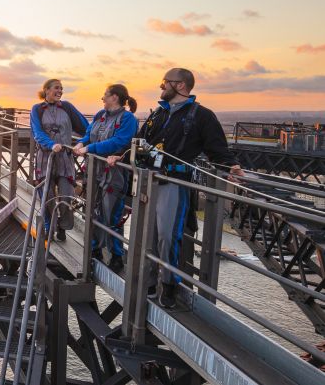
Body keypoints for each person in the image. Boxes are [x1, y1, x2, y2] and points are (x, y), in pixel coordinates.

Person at [108, 68, 243, 308]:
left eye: (164, 83)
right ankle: (149, 283)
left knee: (168, 236)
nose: (161, 87)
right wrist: (120, 155)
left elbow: (216, 148)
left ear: (180, 85)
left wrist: (230, 166)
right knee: (147, 235)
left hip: (173, 183)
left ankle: (168, 286)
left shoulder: (201, 116)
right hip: (149, 180)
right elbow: (140, 141)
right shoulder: (159, 113)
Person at [73, 84, 138, 273]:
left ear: (115, 97)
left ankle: (116, 255)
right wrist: (82, 142)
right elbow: (89, 134)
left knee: (112, 213)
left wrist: (90, 149)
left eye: (105, 95)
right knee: (93, 209)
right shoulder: (100, 115)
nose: (102, 98)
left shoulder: (128, 119)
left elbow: (120, 141)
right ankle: (95, 249)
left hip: (114, 172)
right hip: (94, 171)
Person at [30, 79, 89, 241]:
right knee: (47, 195)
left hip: (64, 158)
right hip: (45, 158)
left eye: (61, 89)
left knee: (66, 195)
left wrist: (83, 143)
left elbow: (85, 127)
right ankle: (50, 226)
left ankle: (63, 227)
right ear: (46, 90)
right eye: (56, 88)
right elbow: (37, 132)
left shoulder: (67, 107)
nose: (60, 91)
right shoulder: (37, 109)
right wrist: (51, 144)